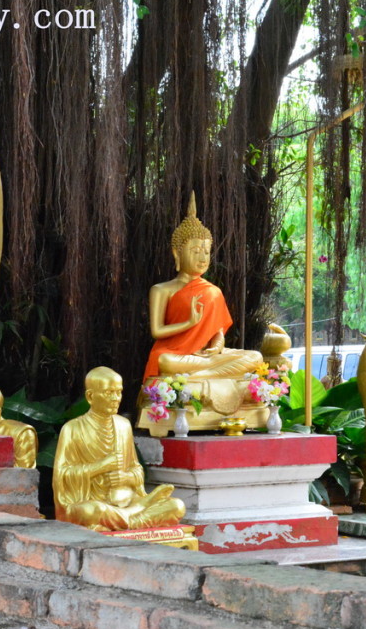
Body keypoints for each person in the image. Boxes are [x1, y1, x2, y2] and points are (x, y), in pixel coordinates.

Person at [143, 192, 261, 379]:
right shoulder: (161, 290)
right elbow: (157, 331)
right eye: (196, 251)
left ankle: (200, 375)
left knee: (255, 357)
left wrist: (216, 346)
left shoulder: (213, 291)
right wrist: (189, 323)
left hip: (204, 358)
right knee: (163, 360)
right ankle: (206, 374)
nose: (202, 258)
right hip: (176, 356)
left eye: (206, 252)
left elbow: (218, 331)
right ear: (177, 253)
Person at [54, 367, 185, 531]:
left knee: (177, 506)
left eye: (118, 392)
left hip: (127, 499)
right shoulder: (72, 429)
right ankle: (135, 519)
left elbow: (135, 468)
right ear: (90, 396)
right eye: (109, 392)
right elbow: (62, 477)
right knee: (92, 511)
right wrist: (101, 466)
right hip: (93, 502)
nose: (116, 398)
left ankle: (122, 519)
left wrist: (126, 478)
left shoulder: (123, 425)